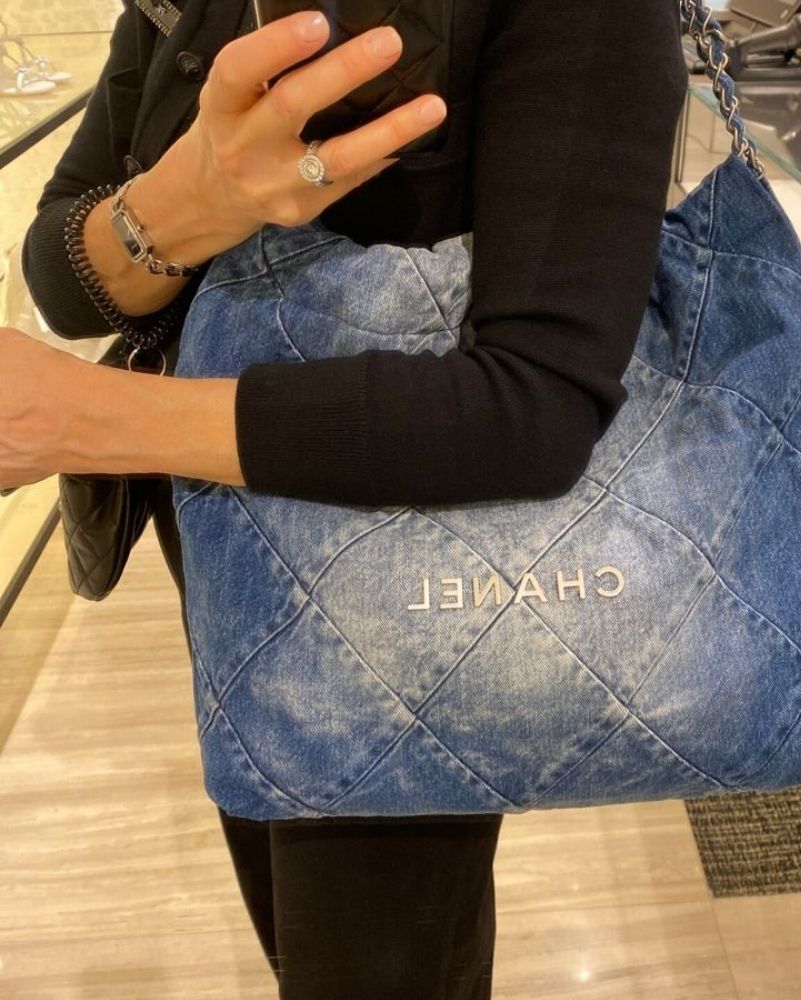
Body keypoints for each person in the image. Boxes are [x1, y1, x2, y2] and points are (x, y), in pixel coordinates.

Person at [2, 0, 690, 996]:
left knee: (374, 964)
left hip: (411, 594)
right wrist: (186, 201)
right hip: (223, 544)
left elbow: (534, 409)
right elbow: (63, 278)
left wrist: (93, 418)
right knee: (291, 917)